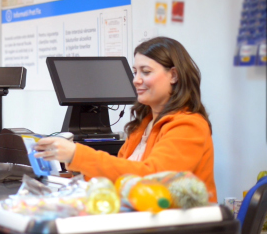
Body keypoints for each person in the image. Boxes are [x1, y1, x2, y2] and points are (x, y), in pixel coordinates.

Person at [35, 37, 217, 202]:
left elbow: (152, 179)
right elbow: (117, 176)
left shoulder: (189, 126)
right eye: (135, 72)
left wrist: (78, 155)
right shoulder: (141, 127)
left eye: (145, 72)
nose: (136, 80)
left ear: (174, 75)